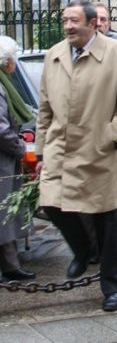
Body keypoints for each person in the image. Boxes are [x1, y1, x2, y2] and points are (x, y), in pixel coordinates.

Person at [36, 0, 117, 311]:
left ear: (93, 23)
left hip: (101, 150)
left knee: (106, 221)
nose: (68, 26)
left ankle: (111, 286)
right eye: (65, 20)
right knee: (51, 203)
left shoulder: (115, 52)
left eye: (74, 21)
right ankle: (82, 250)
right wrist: (42, 148)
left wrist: (111, 135)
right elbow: (44, 109)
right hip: (61, 148)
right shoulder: (54, 54)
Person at [0, 36, 36, 282]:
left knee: (7, 214)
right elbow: (1, 129)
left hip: (6, 160)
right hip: (3, 160)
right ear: (7, 62)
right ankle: (9, 266)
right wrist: (21, 148)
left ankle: (10, 265)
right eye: (13, 59)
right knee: (3, 212)